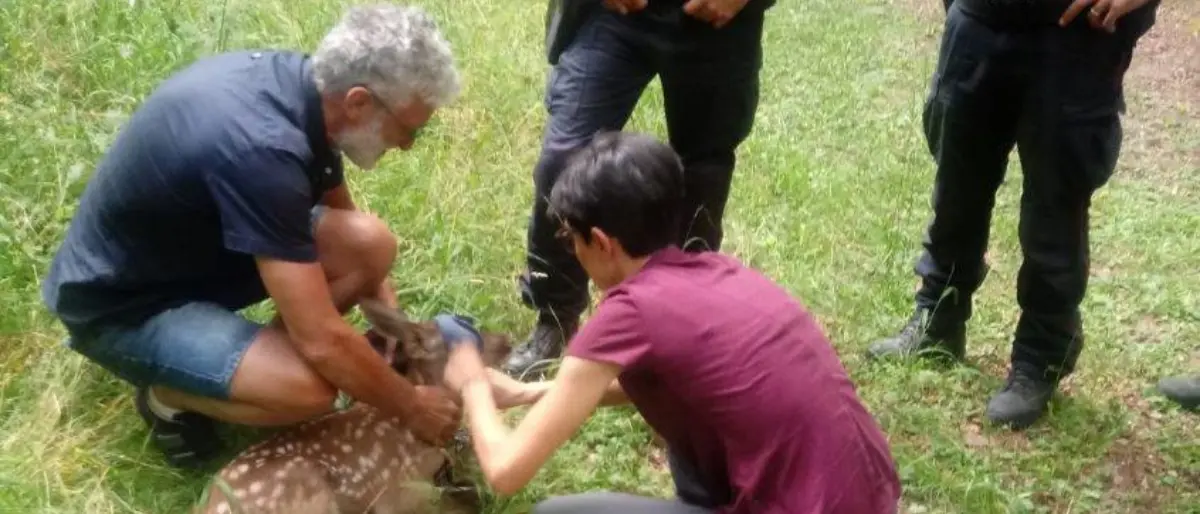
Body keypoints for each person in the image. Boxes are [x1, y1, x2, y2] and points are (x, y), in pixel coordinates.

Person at [40, 4, 464, 468]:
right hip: (123, 306)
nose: (406, 145)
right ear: (359, 101)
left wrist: (392, 318)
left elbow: (350, 234)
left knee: (370, 244)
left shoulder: (310, 93)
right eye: (409, 130)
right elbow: (323, 339)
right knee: (308, 390)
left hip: (192, 251)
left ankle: (257, 365)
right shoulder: (262, 150)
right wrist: (411, 405)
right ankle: (168, 396)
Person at [433, 132, 902, 513]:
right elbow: (678, 383)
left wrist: (473, 384)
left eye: (569, 237)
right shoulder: (720, 272)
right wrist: (528, 393)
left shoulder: (628, 313)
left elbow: (507, 472)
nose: (572, 250)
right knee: (685, 426)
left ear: (601, 241)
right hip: (868, 496)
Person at [865, 0, 1162, 430]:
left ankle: (1040, 357)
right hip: (979, 17)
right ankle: (938, 318)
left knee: (1055, 204)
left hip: (1076, 33)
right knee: (957, 184)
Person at [506, 0, 775, 376]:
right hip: (616, 15)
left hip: (717, 25)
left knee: (702, 176)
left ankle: (685, 330)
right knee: (562, 158)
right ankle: (555, 316)